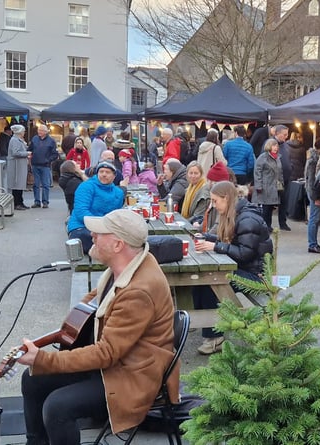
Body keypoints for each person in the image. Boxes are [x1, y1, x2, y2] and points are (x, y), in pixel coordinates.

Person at [18, 208, 175, 445]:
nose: (92, 235)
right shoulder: (128, 265)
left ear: (118, 245)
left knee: (58, 407)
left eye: (99, 233)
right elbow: (100, 297)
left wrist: (43, 358)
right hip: (118, 364)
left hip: (131, 377)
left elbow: (106, 353)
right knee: (32, 379)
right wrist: (71, 324)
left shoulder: (139, 291)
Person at [192, 181, 273, 354]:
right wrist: (206, 237)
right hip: (244, 268)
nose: (213, 205)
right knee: (200, 280)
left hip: (256, 275)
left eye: (215, 201)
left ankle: (215, 337)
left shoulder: (247, 219)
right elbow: (230, 243)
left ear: (226, 198)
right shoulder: (236, 214)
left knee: (209, 282)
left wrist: (214, 246)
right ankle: (201, 325)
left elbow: (245, 253)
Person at [67, 161, 125, 254]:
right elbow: (81, 212)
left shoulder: (118, 192)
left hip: (106, 228)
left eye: (107, 172)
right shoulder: (86, 187)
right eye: (101, 172)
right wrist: (100, 225)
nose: (104, 174)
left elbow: (116, 214)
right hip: (82, 227)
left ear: (114, 176)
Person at [252, 138, 282, 232]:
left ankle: (268, 225)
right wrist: (258, 185)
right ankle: (263, 226)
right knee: (265, 208)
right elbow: (257, 171)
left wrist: (281, 183)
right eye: (274, 145)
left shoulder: (277, 157)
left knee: (270, 207)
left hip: (273, 186)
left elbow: (280, 172)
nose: (276, 148)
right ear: (269, 146)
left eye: (277, 146)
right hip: (264, 186)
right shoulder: (263, 157)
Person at [305, 136, 320, 254]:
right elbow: (311, 181)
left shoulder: (313, 159)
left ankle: (313, 243)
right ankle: (312, 244)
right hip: (315, 193)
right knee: (314, 219)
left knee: (314, 219)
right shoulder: (314, 161)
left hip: (314, 192)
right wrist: (315, 197)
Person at [28, 124, 59, 209]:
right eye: (39, 130)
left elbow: (55, 154)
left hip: (45, 166)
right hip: (35, 164)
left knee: (45, 184)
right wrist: (29, 155)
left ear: (46, 132)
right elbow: (30, 149)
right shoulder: (34, 139)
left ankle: (45, 202)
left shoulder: (51, 141)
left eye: (41, 130)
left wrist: (48, 160)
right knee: (36, 184)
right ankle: (37, 201)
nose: (39, 132)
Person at [7, 125, 32, 210]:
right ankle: (17, 203)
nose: (24, 132)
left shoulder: (18, 140)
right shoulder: (15, 140)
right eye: (23, 131)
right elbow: (15, 153)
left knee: (19, 185)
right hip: (16, 166)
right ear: (20, 132)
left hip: (20, 165)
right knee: (17, 185)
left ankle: (20, 202)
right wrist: (27, 153)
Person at [273, 125, 292, 231]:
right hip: (274, 178)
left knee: (284, 201)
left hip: (286, 177)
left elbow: (289, 159)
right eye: (284, 134)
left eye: (287, 134)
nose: (286, 136)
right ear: (277, 133)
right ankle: (267, 224)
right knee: (270, 201)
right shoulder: (270, 143)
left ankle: (283, 222)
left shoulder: (286, 145)